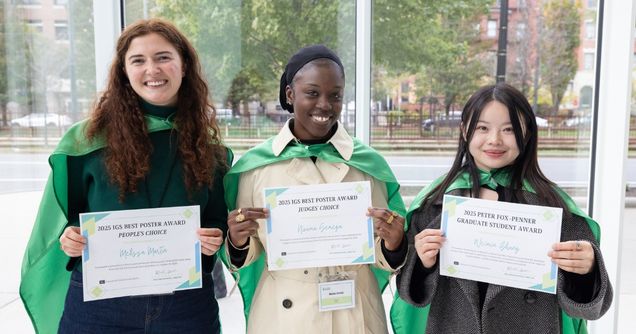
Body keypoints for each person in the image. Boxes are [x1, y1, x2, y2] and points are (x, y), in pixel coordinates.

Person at [19, 18, 231, 333]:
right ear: (124, 71)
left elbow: (217, 218)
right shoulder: (84, 142)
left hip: (185, 305)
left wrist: (215, 235)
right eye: (138, 60)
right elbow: (65, 220)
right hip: (100, 306)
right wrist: (70, 238)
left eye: (163, 57)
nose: (152, 69)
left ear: (183, 65)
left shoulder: (209, 147)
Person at [394, 83, 613, 333]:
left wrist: (585, 270)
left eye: (509, 129)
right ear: (465, 130)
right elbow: (409, 296)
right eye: (482, 128)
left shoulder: (555, 208)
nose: (494, 140)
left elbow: (590, 309)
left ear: (527, 133)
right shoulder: (434, 203)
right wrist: (422, 262)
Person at [220, 44, 407, 334]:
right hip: (283, 317)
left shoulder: (368, 165)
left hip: (355, 311)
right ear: (290, 94)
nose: (324, 104)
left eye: (335, 96)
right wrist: (237, 239)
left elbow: (384, 257)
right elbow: (247, 257)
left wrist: (394, 243)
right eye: (312, 93)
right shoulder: (256, 168)